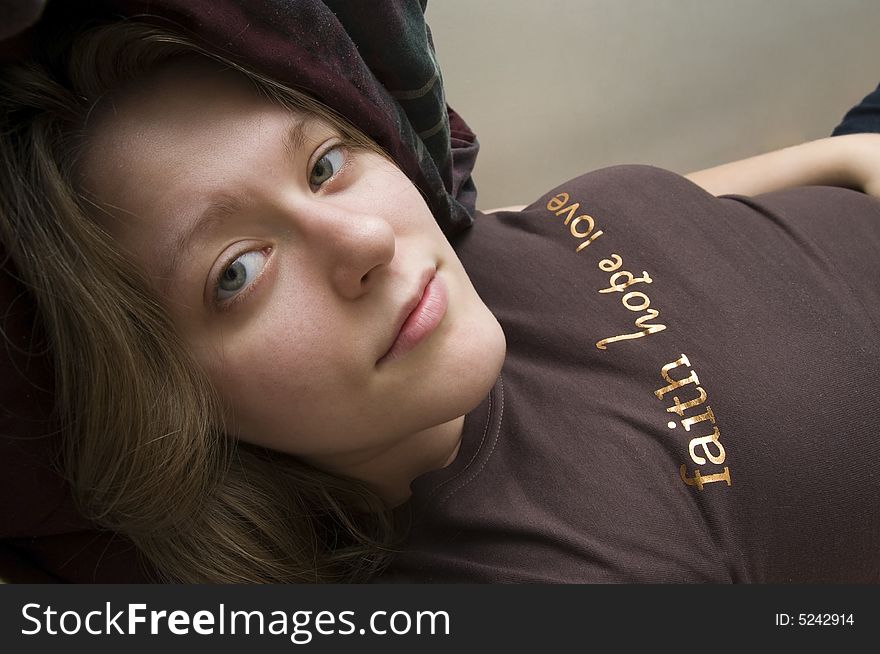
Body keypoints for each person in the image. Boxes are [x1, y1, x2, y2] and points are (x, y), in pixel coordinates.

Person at [1, 17, 879, 583]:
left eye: (323, 164)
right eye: (238, 270)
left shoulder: (447, 273)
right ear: (170, 397)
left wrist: (847, 159)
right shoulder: (558, 573)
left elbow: (644, 221)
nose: (368, 241)